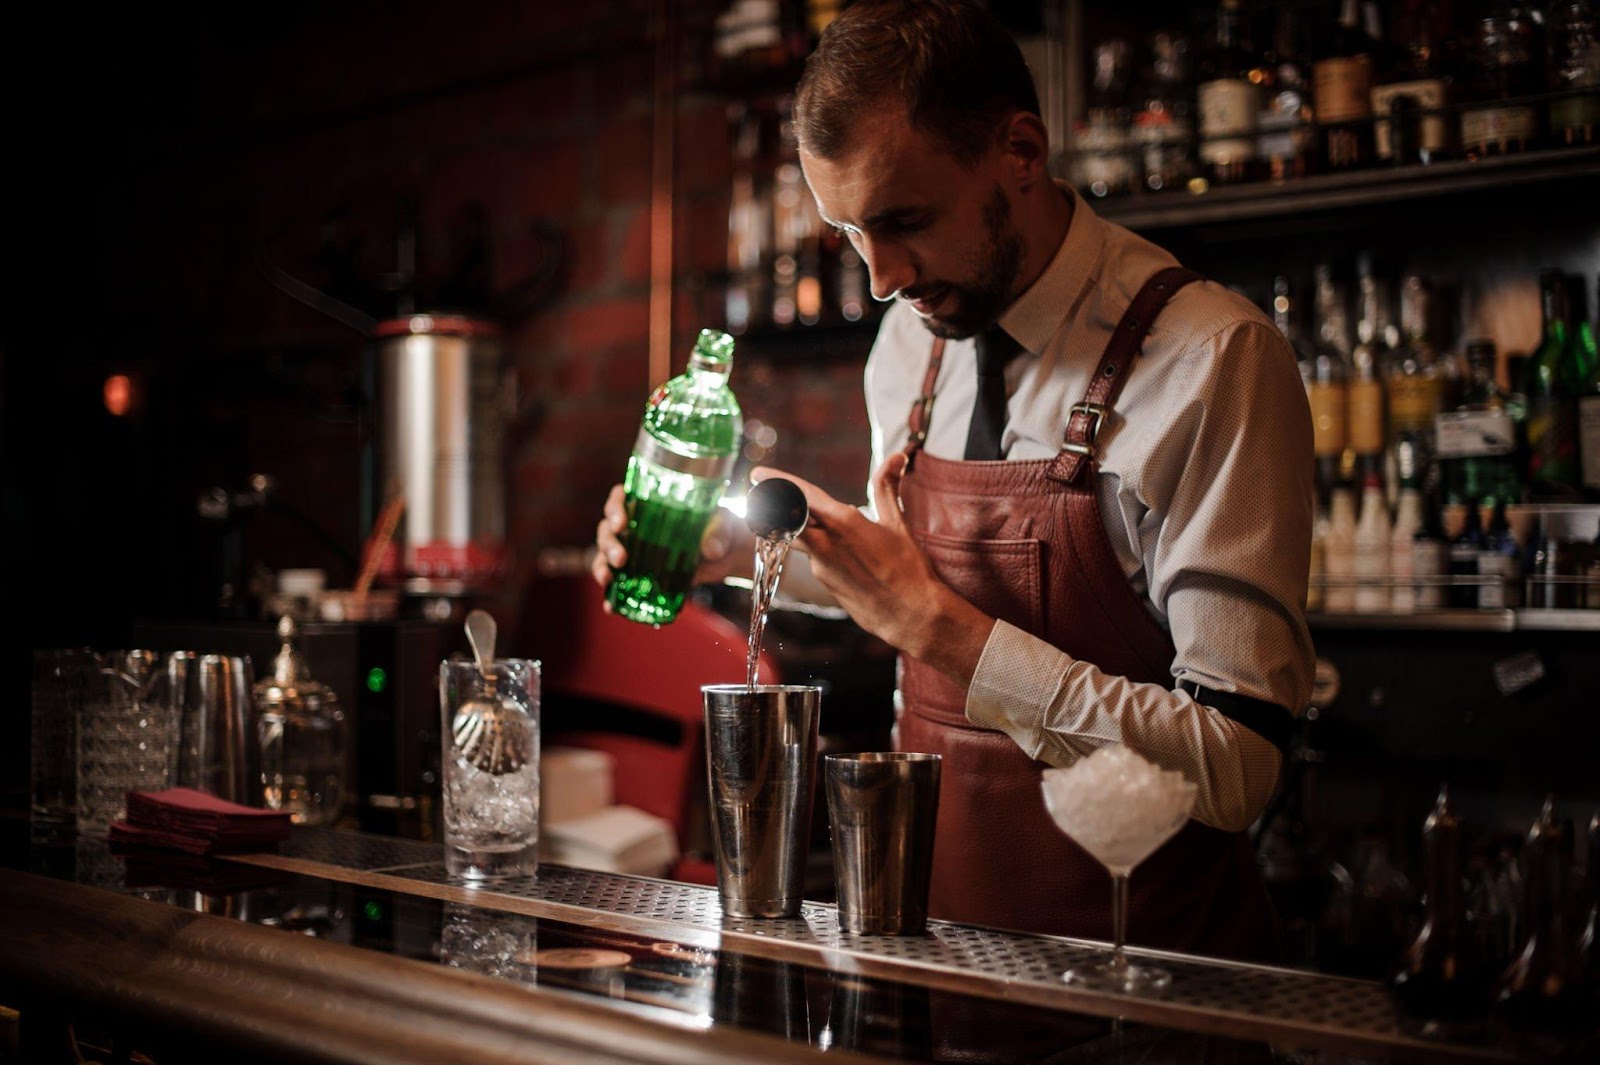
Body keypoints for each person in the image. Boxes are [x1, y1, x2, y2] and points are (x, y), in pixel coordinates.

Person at [594, 0, 1314, 962]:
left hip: (1139, 983)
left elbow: (1238, 763)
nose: (882, 276)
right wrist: (727, 553)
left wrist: (943, 633)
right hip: (936, 950)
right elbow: (922, 580)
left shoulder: (1211, 359)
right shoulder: (910, 343)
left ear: (1021, 151)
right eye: (850, 232)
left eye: (903, 220)